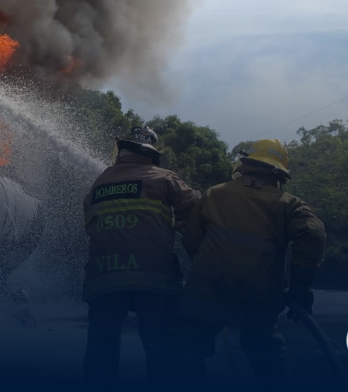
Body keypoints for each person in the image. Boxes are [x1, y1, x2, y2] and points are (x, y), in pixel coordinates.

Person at [173, 139, 326, 391]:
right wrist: (301, 287)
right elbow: (314, 234)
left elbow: (192, 240)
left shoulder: (213, 193)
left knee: (188, 354)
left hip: (205, 291)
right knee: (266, 350)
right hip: (257, 293)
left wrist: (208, 269)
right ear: (278, 173)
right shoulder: (288, 203)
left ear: (245, 165)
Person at [82, 126, 201, 387]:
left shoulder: (98, 183)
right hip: (154, 277)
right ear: (150, 155)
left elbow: (93, 226)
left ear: (122, 151)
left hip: (104, 277)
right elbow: (199, 211)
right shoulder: (164, 178)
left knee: (101, 349)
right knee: (162, 349)